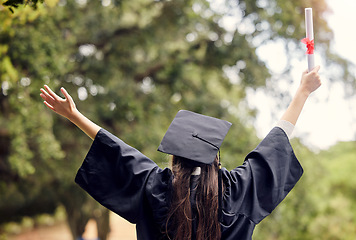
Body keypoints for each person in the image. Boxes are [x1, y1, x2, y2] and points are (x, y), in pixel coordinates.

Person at [40, 66, 321, 240]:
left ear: (175, 158)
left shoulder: (156, 189)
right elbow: (274, 143)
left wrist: (75, 117)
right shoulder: (236, 192)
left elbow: (118, 151)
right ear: (216, 158)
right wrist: (302, 92)